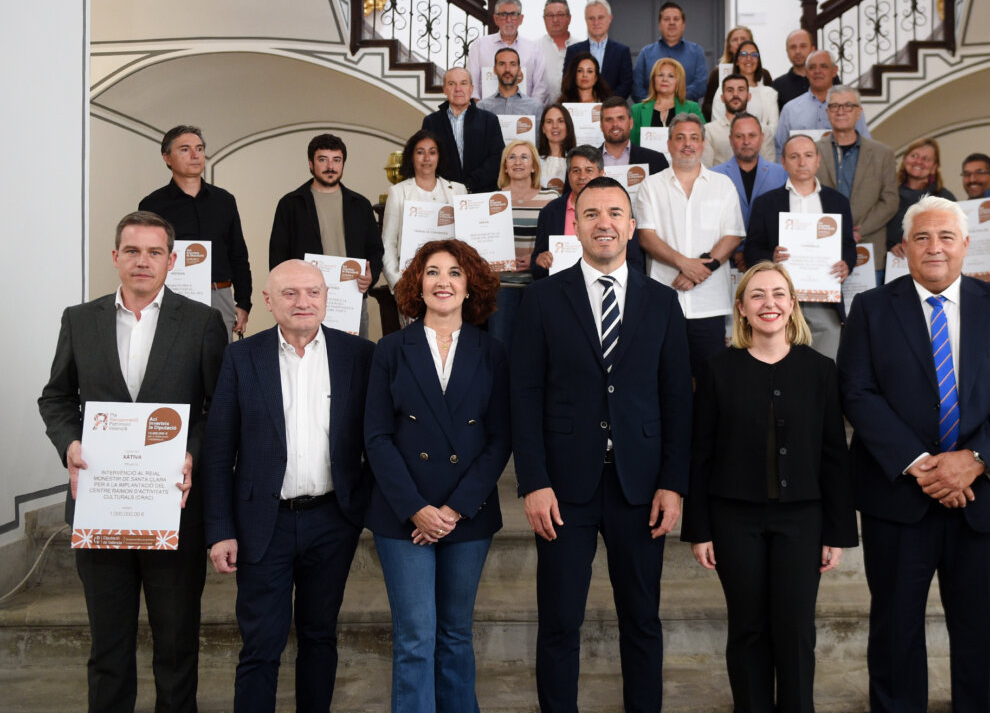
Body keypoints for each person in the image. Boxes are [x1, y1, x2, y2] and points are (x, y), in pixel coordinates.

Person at [838, 195, 990, 712]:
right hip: (899, 497)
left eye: (946, 237)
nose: (934, 248)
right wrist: (919, 464)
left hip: (984, 498)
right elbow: (856, 391)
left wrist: (974, 459)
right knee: (894, 629)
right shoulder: (871, 308)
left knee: (977, 632)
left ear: (966, 246)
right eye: (922, 238)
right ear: (904, 248)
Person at [510, 176, 693, 713]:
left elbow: (678, 401)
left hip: (640, 487)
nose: (604, 223)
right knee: (560, 622)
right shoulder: (542, 299)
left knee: (641, 620)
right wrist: (534, 481)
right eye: (591, 214)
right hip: (565, 490)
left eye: (615, 213)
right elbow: (525, 395)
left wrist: (673, 484)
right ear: (577, 225)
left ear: (632, 227)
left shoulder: (662, 303)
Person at [38, 211, 226, 713]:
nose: (143, 261)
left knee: (176, 647)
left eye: (154, 252)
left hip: (174, 509)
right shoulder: (80, 319)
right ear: (115, 257)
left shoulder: (204, 321)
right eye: (132, 251)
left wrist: (192, 453)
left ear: (170, 259)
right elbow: (55, 399)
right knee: (108, 650)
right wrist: (70, 445)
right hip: (101, 510)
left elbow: (217, 409)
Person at [683, 261, 856, 713]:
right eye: (757, 295)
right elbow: (701, 455)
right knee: (748, 627)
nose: (769, 303)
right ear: (741, 308)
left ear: (793, 304)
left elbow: (835, 454)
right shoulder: (718, 370)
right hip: (733, 518)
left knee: (796, 629)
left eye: (778, 294)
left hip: (803, 519)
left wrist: (837, 532)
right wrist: (699, 529)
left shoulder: (820, 370)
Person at [202, 260, 375, 711]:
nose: (303, 302)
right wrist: (220, 528)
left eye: (313, 293)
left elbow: (377, 439)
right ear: (268, 301)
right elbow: (219, 449)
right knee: (261, 645)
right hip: (264, 522)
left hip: (332, 520)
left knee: (320, 637)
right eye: (291, 293)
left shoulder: (358, 355)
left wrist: (362, 508)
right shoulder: (242, 357)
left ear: (326, 298)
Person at [365, 239, 511, 713]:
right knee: (414, 637)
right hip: (403, 515)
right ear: (417, 284)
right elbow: (377, 438)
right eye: (432, 272)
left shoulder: (492, 351)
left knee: (454, 634)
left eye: (454, 273)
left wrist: (452, 509)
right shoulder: (389, 349)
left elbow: (499, 438)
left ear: (470, 286)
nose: (442, 281)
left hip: (466, 513)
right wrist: (417, 509)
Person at [636, 114, 745, 375]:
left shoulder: (723, 185)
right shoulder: (651, 185)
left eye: (694, 138)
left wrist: (696, 273)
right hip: (665, 300)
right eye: (680, 137)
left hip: (710, 302)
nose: (688, 144)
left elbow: (732, 235)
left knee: (712, 382)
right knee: (668, 381)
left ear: (704, 144)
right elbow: (646, 237)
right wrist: (684, 264)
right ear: (669, 143)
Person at [744, 134, 856, 361]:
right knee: (782, 362)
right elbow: (751, 250)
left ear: (818, 161)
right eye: (794, 156)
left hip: (824, 299)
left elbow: (848, 246)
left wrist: (846, 265)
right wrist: (770, 259)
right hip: (780, 298)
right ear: (783, 162)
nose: (802, 162)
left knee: (825, 365)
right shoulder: (766, 203)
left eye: (808, 155)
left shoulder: (837, 201)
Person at [139, 124, 252, 340]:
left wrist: (244, 302)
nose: (195, 155)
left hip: (219, 295)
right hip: (171, 298)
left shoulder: (225, 201)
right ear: (167, 157)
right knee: (175, 367)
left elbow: (238, 254)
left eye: (199, 149)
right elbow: (147, 257)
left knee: (220, 369)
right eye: (185, 149)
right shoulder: (152, 205)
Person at [268, 133, 383, 338]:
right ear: (311, 164)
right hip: (305, 304)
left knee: (355, 363)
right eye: (323, 159)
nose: (330, 166)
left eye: (336, 160)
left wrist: (371, 276)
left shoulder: (360, 205)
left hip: (352, 301)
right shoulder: (291, 204)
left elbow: (375, 250)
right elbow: (278, 256)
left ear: (343, 164)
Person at [815, 85, 898, 277]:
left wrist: (859, 232)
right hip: (823, 248)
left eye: (848, 106)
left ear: (859, 112)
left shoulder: (883, 153)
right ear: (828, 112)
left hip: (868, 248)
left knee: (868, 306)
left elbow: (890, 200)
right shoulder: (812, 152)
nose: (841, 111)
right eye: (835, 106)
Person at [531, 145, 647, 279]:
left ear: (601, 173)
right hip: (561, 290)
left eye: (589, 170)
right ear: (568, 174)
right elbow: (536, 266)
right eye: (576, 170)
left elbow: (636, 263)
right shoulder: (550, 212)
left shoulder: (618, 208)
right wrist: (540, 262)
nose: (582, 176)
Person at [381, 130, 469, 295]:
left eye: (432, 152)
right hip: (411, 282)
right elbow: (388, 243)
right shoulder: (398, 192)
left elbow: (467, 240)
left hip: (451, 283)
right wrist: (397, 283)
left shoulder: (458, 190)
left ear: (439, 157)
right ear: (411, 157)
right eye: (420, 152)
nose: (426, 158)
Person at [492, 140, 559, 347]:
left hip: (538, 284)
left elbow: (556, 241)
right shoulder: (490, 199)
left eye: (524, 157)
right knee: (500, 349)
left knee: (537, 348)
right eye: (511, 157)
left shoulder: (551, 198)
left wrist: (534, 258)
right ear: (505, 166)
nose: (517, 162)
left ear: (533, 166)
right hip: (502, 285)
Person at [711, 113, 788, 271]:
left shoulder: (783, 175)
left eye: (752, 135)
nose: (746, 142)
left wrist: (756, 256)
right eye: (740, 136)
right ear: (731, 139)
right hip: (723, 264)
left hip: (771, 265)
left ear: (762, 138)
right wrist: (738, 253)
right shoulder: (713, 176)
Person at [422, 67, 505, 193]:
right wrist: (451, 187)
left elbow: (497, 159)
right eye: (451, 84)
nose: (458, 89)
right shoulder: (431, 122)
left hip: (482, 195)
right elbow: (427, 159)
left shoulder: (489, 120)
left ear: (471, 89)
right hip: (444, 194)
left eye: (463, 83)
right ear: (444, 89)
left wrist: (469, 185)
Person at [775, 50, 867, 156]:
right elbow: (780, 149)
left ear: (834, 71)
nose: (817, 71)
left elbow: (864, 145)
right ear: (806, 72)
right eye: (812, 67)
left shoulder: (851, 107)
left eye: (824, 66)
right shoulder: (790, 110)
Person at [468, 0, 550, 106]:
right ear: (496, 19)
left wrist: (531, 111)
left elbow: (540, 87)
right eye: (503, 15)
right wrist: (479, 110)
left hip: (524, 117)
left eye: (513, 14)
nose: (508, 20)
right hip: (486, 114)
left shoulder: (533, 49)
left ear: (521, 19)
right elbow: (471, 81)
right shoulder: (480, 45)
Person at [886, 138, 955, 257]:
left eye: (926, 159)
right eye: (914, 156)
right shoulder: (888, 193)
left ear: (934, 166)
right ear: (905, 159)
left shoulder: (945, 199)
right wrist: (889, 245)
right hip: (893, 265)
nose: (918, 162)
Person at [632, 1, 710, 102]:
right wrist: (654, 105)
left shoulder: (696, 52)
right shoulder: (646, 53)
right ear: (660, 25)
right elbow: (636, 87)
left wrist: (674, 101)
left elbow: (700, 85)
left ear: (683, 25)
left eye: (676, 19)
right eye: (666, 19)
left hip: (686, 112)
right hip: (651, 113)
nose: (671, 22)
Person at [563, 0, 633, 101]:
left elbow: (626, 85)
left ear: (610, 18)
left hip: (612, 110)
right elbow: (567, 82)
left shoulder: (622, 51)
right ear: (586, 20)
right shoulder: (573, 51)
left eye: (600, 17)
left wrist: (606, 104)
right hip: (580, 109)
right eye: (591, 18)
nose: (596, 22)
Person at [704, 74, 777, 166]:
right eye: (730, 90)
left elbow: (769, 167)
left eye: (741, 89)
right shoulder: (709, 131)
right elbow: (706, 169)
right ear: (722, 98)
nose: (735, 94)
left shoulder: (763, 130)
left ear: (749, 96)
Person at [630, 57, 705, 145]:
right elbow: (632, 144)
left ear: (678, 82)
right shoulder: (637, 110)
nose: (664, 79)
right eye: (660, 75)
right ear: (654, 80)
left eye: (671, 76)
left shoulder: (692, 108)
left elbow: (702, 139)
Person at [707, 41, 778, 130]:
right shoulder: (724, 88)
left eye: (754, 55)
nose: (749, 58)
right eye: (744, 54)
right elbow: (717, 123)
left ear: (758, 61)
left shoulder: (769, 93)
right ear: (737, 60)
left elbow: (773, 129)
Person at [701, 27, 764, 121]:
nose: (739, 42)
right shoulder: (717, 73)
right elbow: (707, 105)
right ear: (729, 46)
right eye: (735, 39)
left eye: (743, 39)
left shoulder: (764, 74)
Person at [599, 96, 670, 173]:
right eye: (609, 120)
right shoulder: (587, 161)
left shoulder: (656, 160)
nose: (615, 124)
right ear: (601, 126)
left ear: (631, 123)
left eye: (620, 118)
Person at [477, 46, 543, 119]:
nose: (507, 69)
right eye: (502, 64)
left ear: (519, 70)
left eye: (513, 64)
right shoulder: (482, 107)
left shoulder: (535, 108)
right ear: (495, 70)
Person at [538, 0, 579, 93]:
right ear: (544, 19)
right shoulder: (534, 48)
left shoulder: (582, 48)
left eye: (560, 15)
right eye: (550, 15)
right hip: (542, 107)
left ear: (569, 18)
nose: (555, 20)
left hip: (574, 107)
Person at [771, 29, 818, 111]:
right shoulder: (778, 85)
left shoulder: (827, 79)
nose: (797, 51)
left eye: (803, 46)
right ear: (787, 52)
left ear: (813, 49)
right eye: (793, 47)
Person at [536, 103, 576, 193]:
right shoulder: (533, 161)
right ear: (543, 128)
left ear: (567, 126)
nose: (555, 126)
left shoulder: (576, 160)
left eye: (560, 121)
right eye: (549, 122)